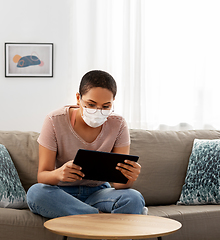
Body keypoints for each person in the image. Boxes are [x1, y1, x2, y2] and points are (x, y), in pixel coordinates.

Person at [27, 70, 145, 219]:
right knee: (36, 193)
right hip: (62, 195)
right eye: (91, 104)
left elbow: (119, 186)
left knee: (134, 198)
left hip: (99, 193)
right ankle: (101, 219)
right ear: (78, 98)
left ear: (113, 101)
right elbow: (42, 176)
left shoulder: (118, 124)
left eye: (106, 106)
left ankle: (82, 217)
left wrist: (129, 178)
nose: (98, 111)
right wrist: (59, 174)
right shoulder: (54, 120)